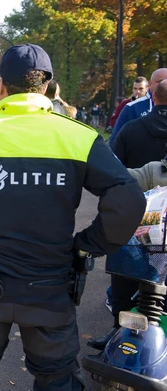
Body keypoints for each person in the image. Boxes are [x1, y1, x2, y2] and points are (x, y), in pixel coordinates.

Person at [0, 43, 146, 390]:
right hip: (50, 283)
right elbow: (128, 197)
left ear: (1, 85)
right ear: (46, 87)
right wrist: (89, 244)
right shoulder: (77, 137)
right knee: (57, 380)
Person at [87, 79, 167, 350]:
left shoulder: (132, 129)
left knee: (124, 275)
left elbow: (111, 167)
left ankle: (119, 331)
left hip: (135, 215)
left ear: (152, 98)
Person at [109, 68, 167, 147]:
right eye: (160, 81)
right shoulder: (132, 107)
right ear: (150, 84)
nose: (165, 84)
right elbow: (115, 143)